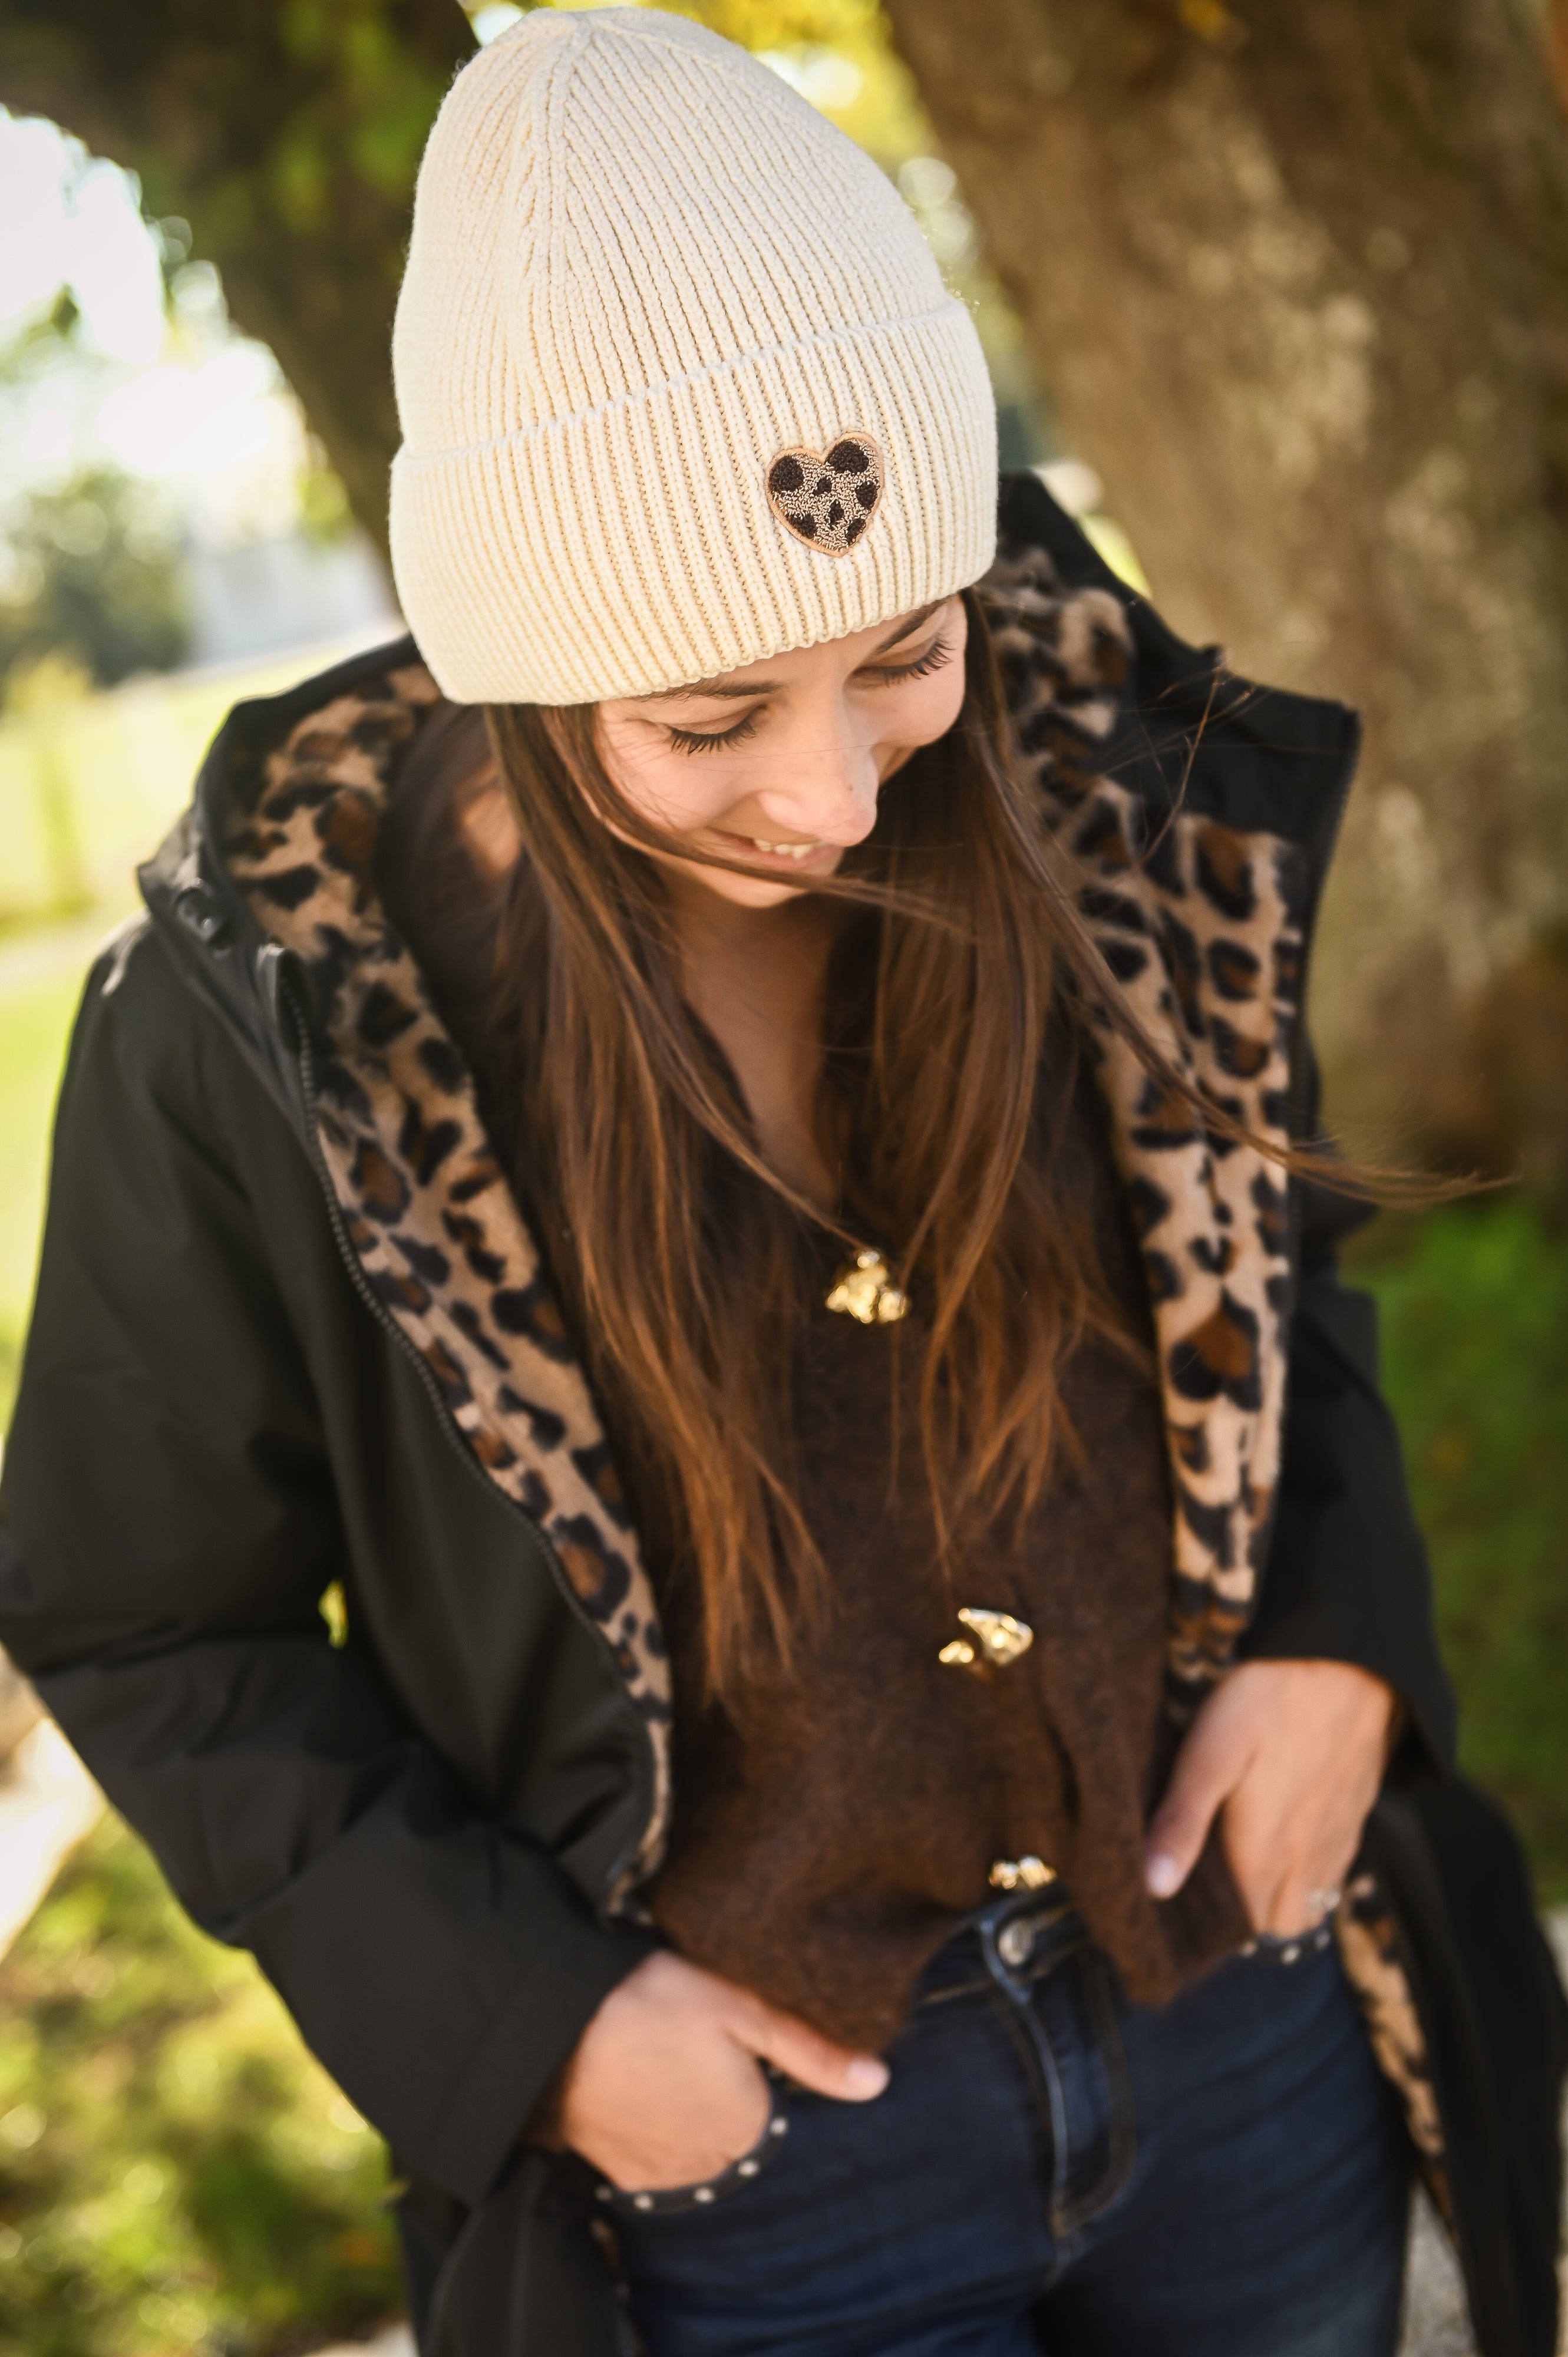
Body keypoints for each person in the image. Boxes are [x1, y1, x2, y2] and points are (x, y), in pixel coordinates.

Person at [1, 13, 1562, 2357]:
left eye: (902, 652)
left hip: (1238, 2027)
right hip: (751, 2191)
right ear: (518, 659)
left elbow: (1265, 1265)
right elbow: (147, 1622)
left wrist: (1343, 1632)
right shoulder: (264, 1034)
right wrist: (528, 2028)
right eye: (712, 719)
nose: (834, 793)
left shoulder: (1114, 787)